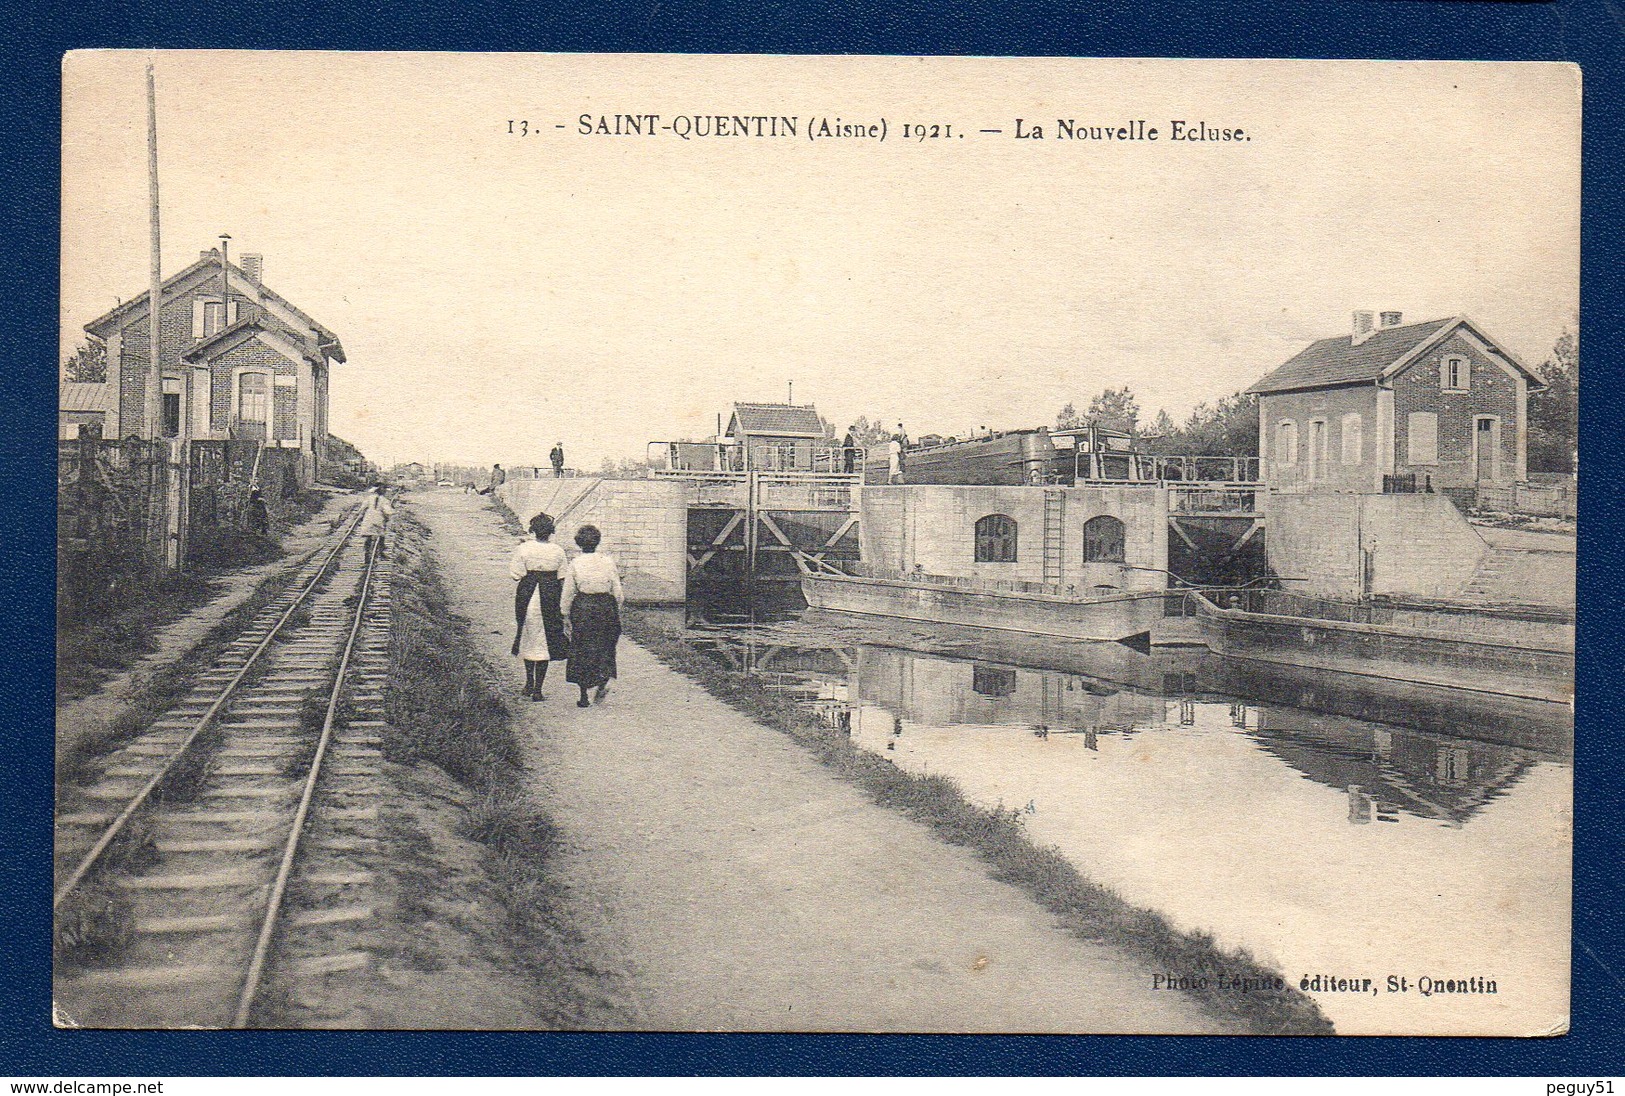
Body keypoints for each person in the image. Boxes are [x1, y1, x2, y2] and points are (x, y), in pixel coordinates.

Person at [561, 523, 623, 708]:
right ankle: (603, 678)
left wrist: (565, 615)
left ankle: (583, 695)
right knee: (605, 645)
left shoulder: (575, 563)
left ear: (579, 544)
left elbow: (568, 592)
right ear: (598, 542)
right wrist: (615, 608)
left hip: (584, 607)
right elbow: (618, 591)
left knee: (581, 648)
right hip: (605, 606)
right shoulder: (608, 561)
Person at [509, 512, 569, 701]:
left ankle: (529, 683)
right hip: (550, 594)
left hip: (528, 593)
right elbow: (562, 577)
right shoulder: (558, 551)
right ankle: (538, 689)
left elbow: (516, 574)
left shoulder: (524, 548)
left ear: (533, 530)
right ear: (550, 532)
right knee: (546, 637)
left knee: (528, 635)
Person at [357, 485, 393, 561]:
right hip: (379, 518)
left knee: (368, 536)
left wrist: (361, 515)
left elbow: (362, 508)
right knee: (381, 535)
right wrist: (388, 518)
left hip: (369, 518)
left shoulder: (369, 498)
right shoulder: (385, 500)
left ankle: (366, 554)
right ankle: (381, 552)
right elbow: (387, 511)